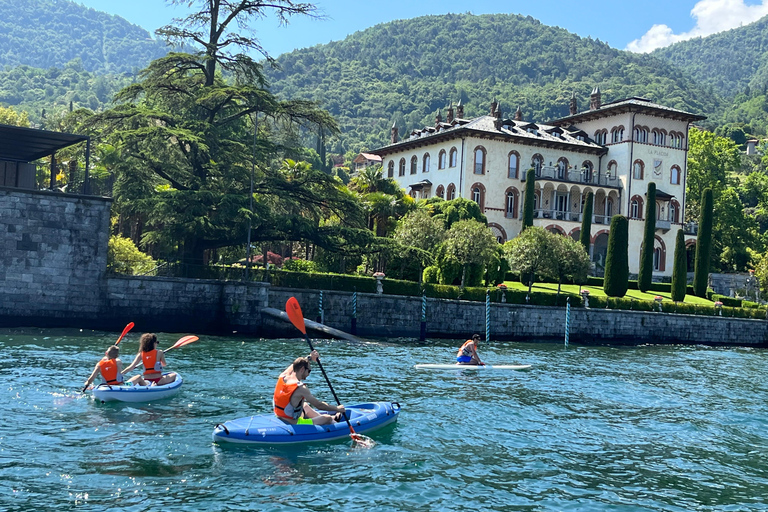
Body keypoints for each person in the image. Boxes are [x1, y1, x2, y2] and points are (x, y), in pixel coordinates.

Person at [273, 350, 345, 426]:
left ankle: (330, 418)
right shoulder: (301, 388)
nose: (308, 374)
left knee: (305, 405)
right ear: (302, 370)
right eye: (309, 371)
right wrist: (338, 408)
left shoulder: (283, 376)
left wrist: (310, 357)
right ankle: (333, 421)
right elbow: (319, 405)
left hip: (280, 416)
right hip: (296, 423)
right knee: (327, 418)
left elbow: (295, 364)